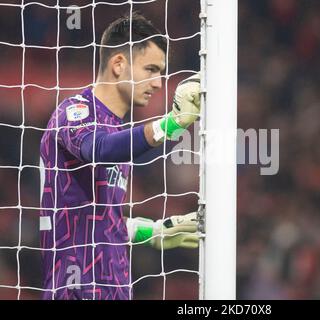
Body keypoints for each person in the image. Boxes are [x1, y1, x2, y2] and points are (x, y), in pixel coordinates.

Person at [39, 12, 201, 300]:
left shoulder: (117, 133)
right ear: (118, 64)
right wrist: (171, 123)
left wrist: (148, 231)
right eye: (150, 69)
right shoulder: (76, 111)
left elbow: (91, 218)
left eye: (161, 73)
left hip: (113, 288)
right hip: (76, 289)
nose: (158, 83)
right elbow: (96, 149)